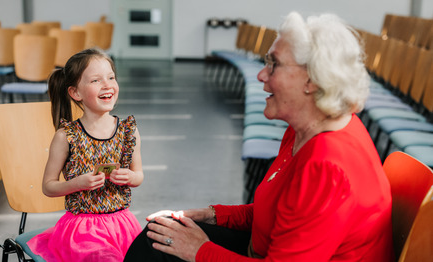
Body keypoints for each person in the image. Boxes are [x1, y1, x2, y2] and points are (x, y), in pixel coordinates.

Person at [123, 11, 394, 262]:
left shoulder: (327, 166)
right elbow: (279, 210)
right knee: (159, 234)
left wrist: (200, 250)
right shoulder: (306, 129)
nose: (262, 75)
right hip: (264, 248)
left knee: (156, 247)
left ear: (311, 80)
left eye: (274, 64)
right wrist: (212, 215)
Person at [27, 48, 144, 261]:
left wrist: (130, 177)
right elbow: (48, 186)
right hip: (81, 229)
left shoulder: (129, 130)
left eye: (111, 77)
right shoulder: (67, 136)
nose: (108, 85)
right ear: (75, 93)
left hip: (122, 225)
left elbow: (139, 176)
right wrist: (77, 183)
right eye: (96, 81)